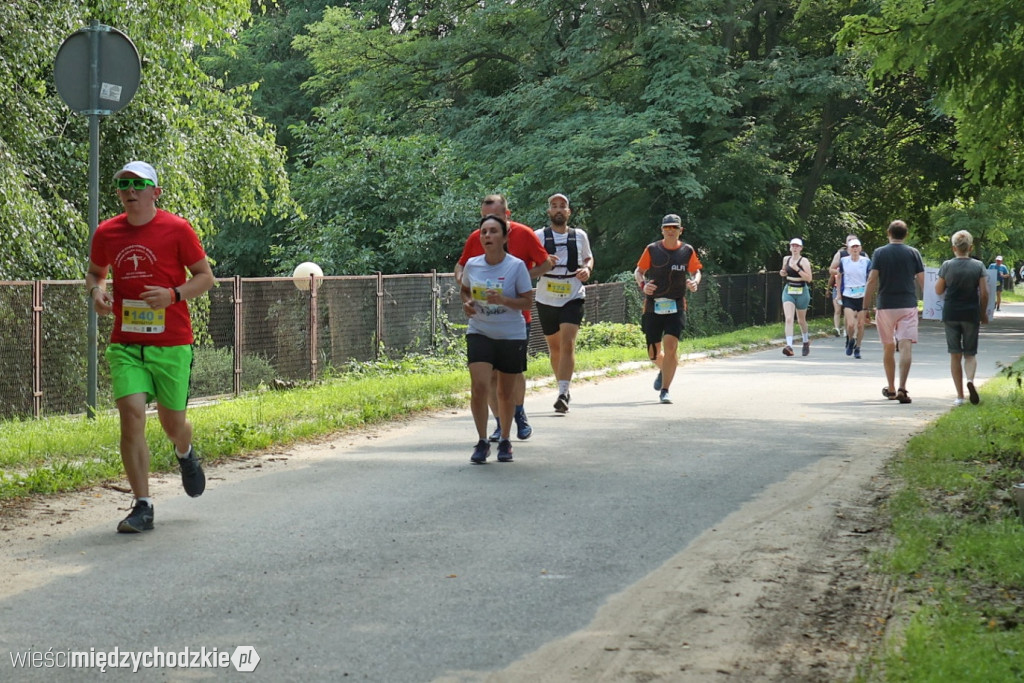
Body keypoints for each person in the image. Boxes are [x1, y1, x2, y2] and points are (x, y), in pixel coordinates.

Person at [85, 161, 215, 533]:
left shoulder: (177, 229)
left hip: (171, 342)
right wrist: (97, 290)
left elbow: (205, 277)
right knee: (131, 415)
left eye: (138, 184)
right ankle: (142, 505)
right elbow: (95, 272)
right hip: (126, 342)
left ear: (155, 192)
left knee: (173, 425)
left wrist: (173, 294)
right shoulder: (108, 233)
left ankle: (185, 452)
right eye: (123, 184)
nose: (130, 190)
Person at [455, 195, 553, 441]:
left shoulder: (525, 234)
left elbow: (547, 262)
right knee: (489, 376)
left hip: (516, 318)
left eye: (496, 218)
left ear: (507, 215)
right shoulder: (478, 237)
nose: (489, 226)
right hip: (482, 320)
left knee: (512, 374)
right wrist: (464, 283)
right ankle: (499, 423)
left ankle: (517, 412)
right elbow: (461, 267)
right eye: (484, 219)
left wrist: (519, 277)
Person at [460, 214, 534, 463]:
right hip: (480, 330)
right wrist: (468, 304)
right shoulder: (472, 264)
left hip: (511, 334)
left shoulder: (515, 266)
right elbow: (465, 289)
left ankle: (505, 440)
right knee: (479, 386)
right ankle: (481, 441)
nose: (487, 236)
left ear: (504, 237)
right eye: (484, 232)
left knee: (505, 392)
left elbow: (527, 301)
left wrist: (503, 300)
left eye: (493, 231)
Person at [534, 193, 594, 414]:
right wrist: (542, 264)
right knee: (555, 346)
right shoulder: (538, 236)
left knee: (568, 343)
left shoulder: (579, 236)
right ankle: (562, 388)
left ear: (569, 212)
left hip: (573, 293)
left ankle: (562, 392)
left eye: (563, 206)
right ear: (549, 212)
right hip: (545, 295)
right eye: (554, 206)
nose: (558, 209)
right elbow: (529, 262)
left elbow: (588, 258)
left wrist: (587, 269)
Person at [633, 214, 702, 404]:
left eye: (674, 228)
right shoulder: (652, 249)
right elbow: (639, 271)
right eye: (667, 228)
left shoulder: (687, 251)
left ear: (681, 230)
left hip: (676, 304)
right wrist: (643, 285)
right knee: (653, 354)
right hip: (653, 305)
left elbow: (696, 271)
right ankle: (664, 369)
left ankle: (665, 390)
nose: (671, 231)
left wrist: (694, 282)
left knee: (671, 347)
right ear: (662, 230)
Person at [861, 220, 925, 404]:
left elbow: (872, 280)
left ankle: (890, 388)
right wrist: (930, 305)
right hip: (907, 305)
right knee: (906, 346)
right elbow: (922, 280)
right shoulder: (913, 253)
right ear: (906, 234)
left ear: (888, 232)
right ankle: (902, 388)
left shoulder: (880, 253)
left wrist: (865, 307)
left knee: (888, 346)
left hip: (885, 305)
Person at [936, 231, 988, 406]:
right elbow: (985, 293)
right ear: (970, 248)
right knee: (970, 353)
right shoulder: (978, 266)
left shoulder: (947, 265)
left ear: (953, 248)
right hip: (971, 313)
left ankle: (959, 396)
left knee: (954, 354)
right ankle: (971, 380)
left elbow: (938, 290)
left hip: (951, 313)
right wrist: (983, 313)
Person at [836, 238, 870, 358]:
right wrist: (839, 293)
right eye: (853, 247)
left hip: (862, 296)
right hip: (848, 295)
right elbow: (838, 276)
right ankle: (851, 340)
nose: (855, 249)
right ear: (849, 249)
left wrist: (869, 293)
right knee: (850, 324)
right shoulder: (844, 261)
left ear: (860, 248)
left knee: (860, 324)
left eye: (857, 247)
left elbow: (871, 278)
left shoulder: (866, 261)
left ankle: (858, 347)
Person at [778, 238, 813, 356]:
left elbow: (809, 278)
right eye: (793, 246)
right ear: (790, 247)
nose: (795, 248)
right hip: (789, 290)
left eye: (797, 246)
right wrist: (782, 272)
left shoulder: (804, 261)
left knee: (801, 320)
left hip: (802, 290)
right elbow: (784, 271)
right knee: (788, 318)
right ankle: (789, 346)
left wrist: (797, 268)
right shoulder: (786, 259)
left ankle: (805, 341)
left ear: (801, 248)